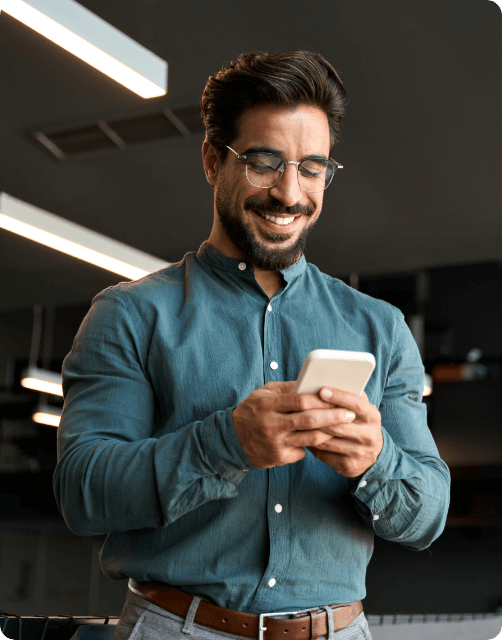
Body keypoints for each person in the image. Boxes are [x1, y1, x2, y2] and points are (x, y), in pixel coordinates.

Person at [53, 51, 450, 640]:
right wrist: (226, 443)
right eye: (264, 162)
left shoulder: (381, 327)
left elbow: (430, 515)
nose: (290, 193)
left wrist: (375, 461)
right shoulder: (130, 314)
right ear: (214, 160)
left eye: (312, 168)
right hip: (176, 629)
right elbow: (84, 493)